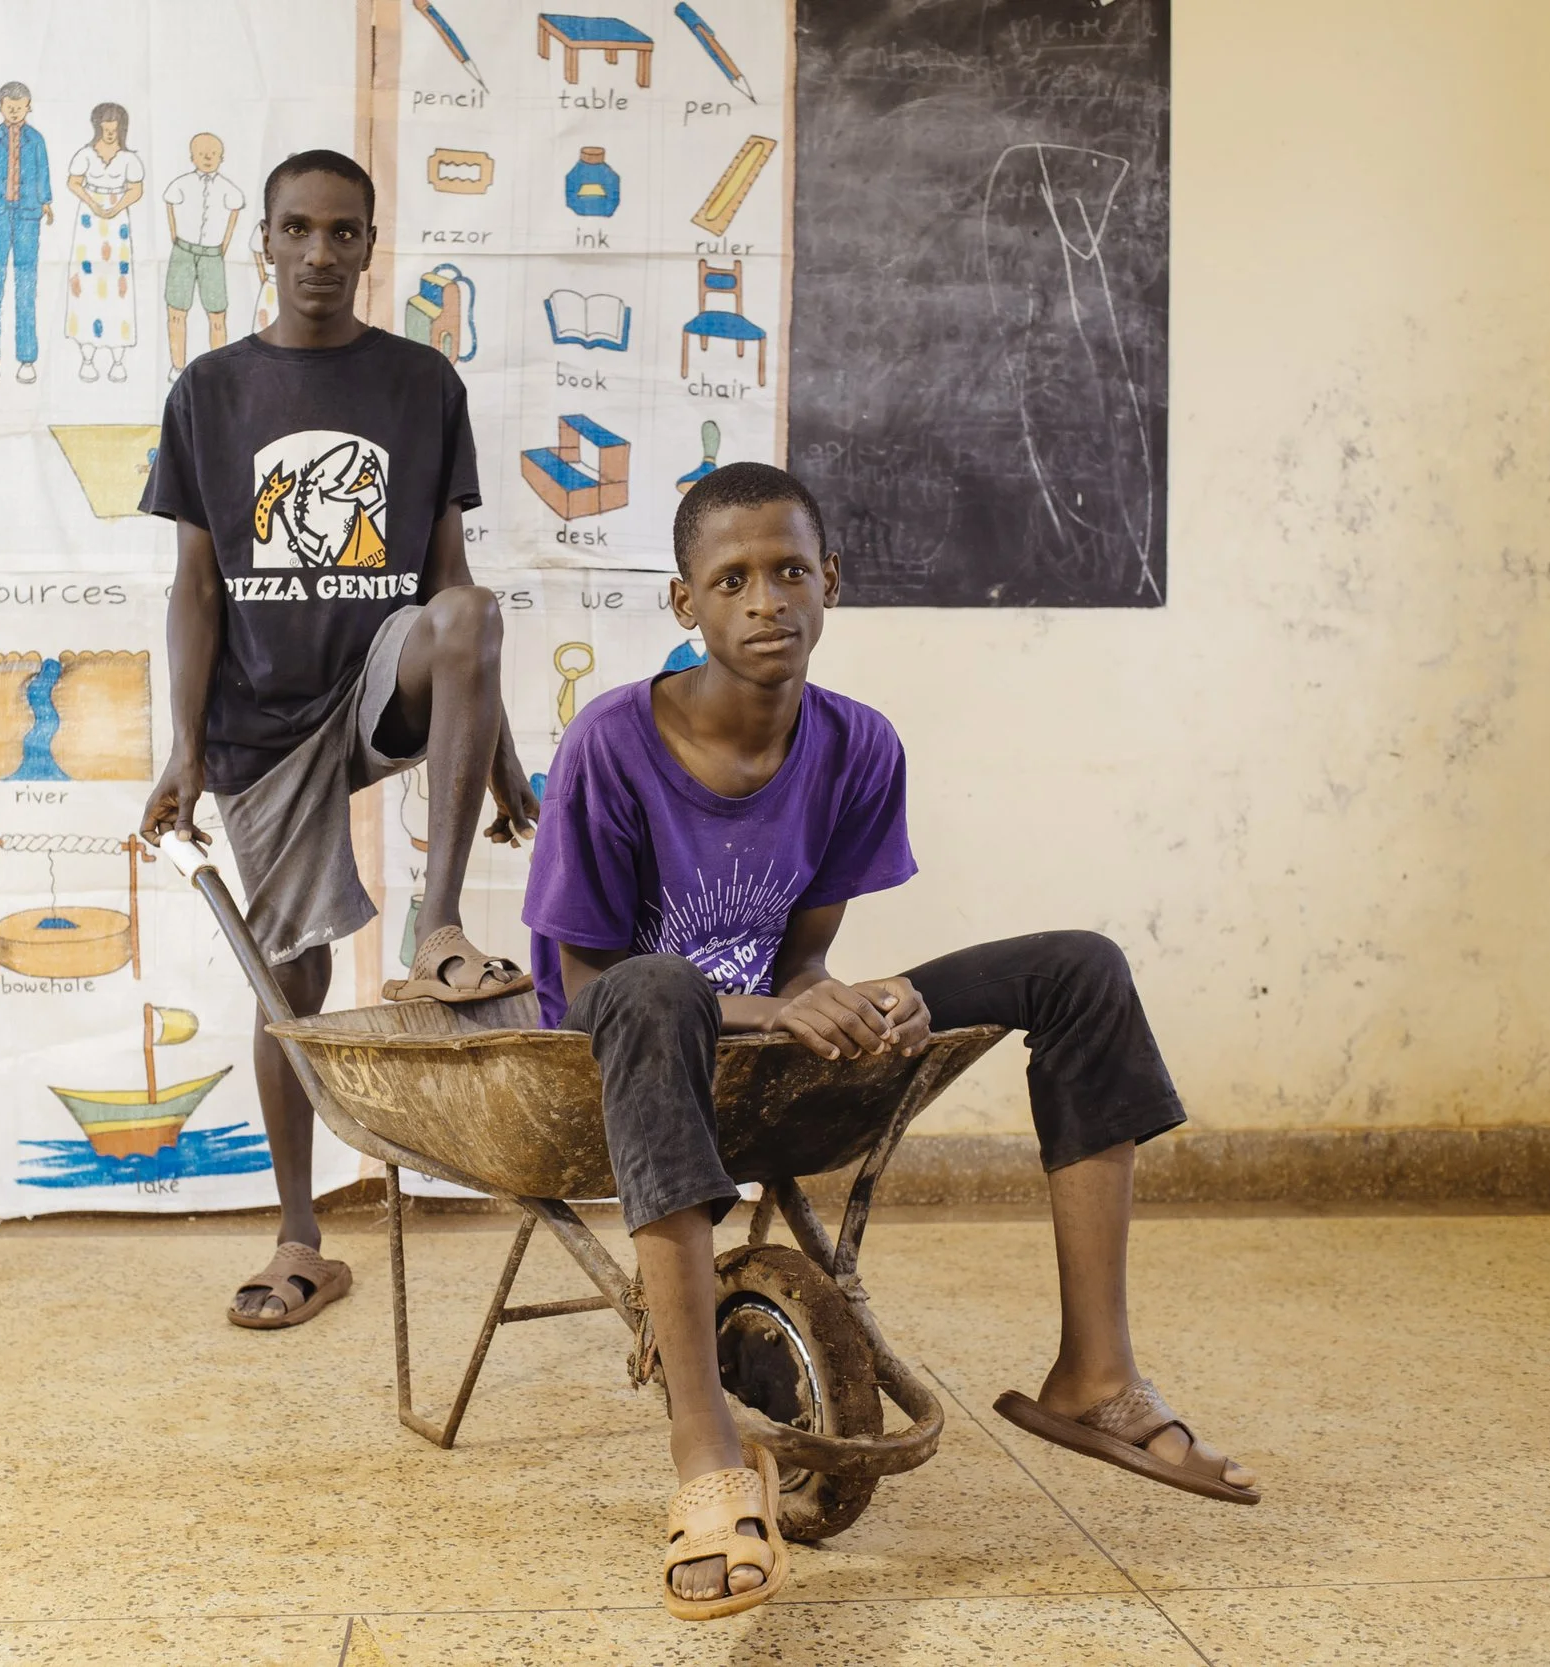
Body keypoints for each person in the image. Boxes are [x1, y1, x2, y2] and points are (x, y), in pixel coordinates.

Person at [523, 462, 1260, 1623]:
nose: (765, 598)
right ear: (683, 605)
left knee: (1079, 965)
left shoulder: (858, 746)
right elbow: (592, 981)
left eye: (788, 570)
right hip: (619, 1040)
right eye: (731, 579)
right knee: (661, 984)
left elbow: (801, 959)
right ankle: (707, 1449)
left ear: (831, 581)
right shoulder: (612, 744)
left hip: (757, 1048)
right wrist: (773, 1009)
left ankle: (1095, 1374)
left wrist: (867, 1001)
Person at [139, 150, 539, 1329]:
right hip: (259, 715)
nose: (320, 252)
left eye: (344, 232)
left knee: (469, 611)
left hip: (377, 681)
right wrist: (183, 749)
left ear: (372, 244)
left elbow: (452, 594)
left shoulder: (421, 385)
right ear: (260, 241)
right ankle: (301, 1233)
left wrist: (507, 764)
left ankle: (443, 922)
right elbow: (196, 590)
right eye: (298, 229)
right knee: (290, 981)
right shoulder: (209, 391)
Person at [0, 81, 51, 384]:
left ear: (29, 107)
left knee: (26, 284)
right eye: (10, 107)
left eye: (21, 107)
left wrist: (45, 201)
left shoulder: (37, 140)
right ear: (1, 107)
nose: (16, 112)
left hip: (28, 214)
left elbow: (42, 170)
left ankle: (27, 359)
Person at [64, 102, 144, 383]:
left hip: (117, 226)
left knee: (118, 287)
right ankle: (86, 356)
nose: (110, 134)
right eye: (105, 128)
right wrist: (94, 204)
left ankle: (118, 359)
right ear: (97, 127)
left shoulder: (129, 159)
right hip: (89, 223)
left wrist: (116, 207)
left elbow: (136, 189)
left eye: (114, 129)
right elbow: (73, 182)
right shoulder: (85, 154)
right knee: (85, 283)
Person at [162, 133, 247, 375]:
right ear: (192, 157)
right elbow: (169, 206)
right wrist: (176, 238)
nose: (208, 157)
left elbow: (234, 214)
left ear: (222, 157)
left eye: (213, 153)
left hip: (212, 255)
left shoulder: (228, 189)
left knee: (217, 313)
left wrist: (223, 246)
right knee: (176, 311)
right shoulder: (181, 184)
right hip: (183, 251)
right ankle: (177, 366)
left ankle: (218, 370)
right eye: (202, 153)